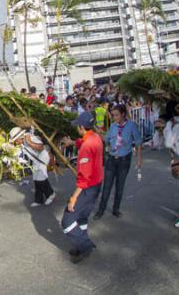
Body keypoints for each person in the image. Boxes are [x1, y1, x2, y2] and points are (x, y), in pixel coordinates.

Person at [60, 111, 103, 263]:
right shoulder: (95, 137)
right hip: (96, 184)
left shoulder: (87, 147)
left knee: (67, 221)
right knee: (82, 217)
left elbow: (84, 177)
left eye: (77, 125)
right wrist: (73, 143)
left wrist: (73, 197)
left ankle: (85, 245)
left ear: (81, 127)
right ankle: (80, 245)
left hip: (87, 188)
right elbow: (84, 142)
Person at [95, 104, 141, 219]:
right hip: (111, 160)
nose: (114, 117)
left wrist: (139, 159)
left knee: (119, 187)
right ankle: (101, 210)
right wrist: (99, 134)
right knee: (106, 187)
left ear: (123, 114)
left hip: (124, 161)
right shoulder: (113, 126)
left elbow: (138, 142)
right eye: (113, 115)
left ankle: (116, 209)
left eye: (116, 115)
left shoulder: (131, 126)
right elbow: (108, 139)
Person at [10, 127, 55, 207]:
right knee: (36, 179)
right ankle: (39, 200)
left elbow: (41, 147)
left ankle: (51, 194)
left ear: (21, 137)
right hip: (37, 161)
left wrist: (30, 143)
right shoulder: (23, 143)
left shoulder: (30, 138)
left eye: (17, 140)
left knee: (40, 179)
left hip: (43, 158)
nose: (16, 142)